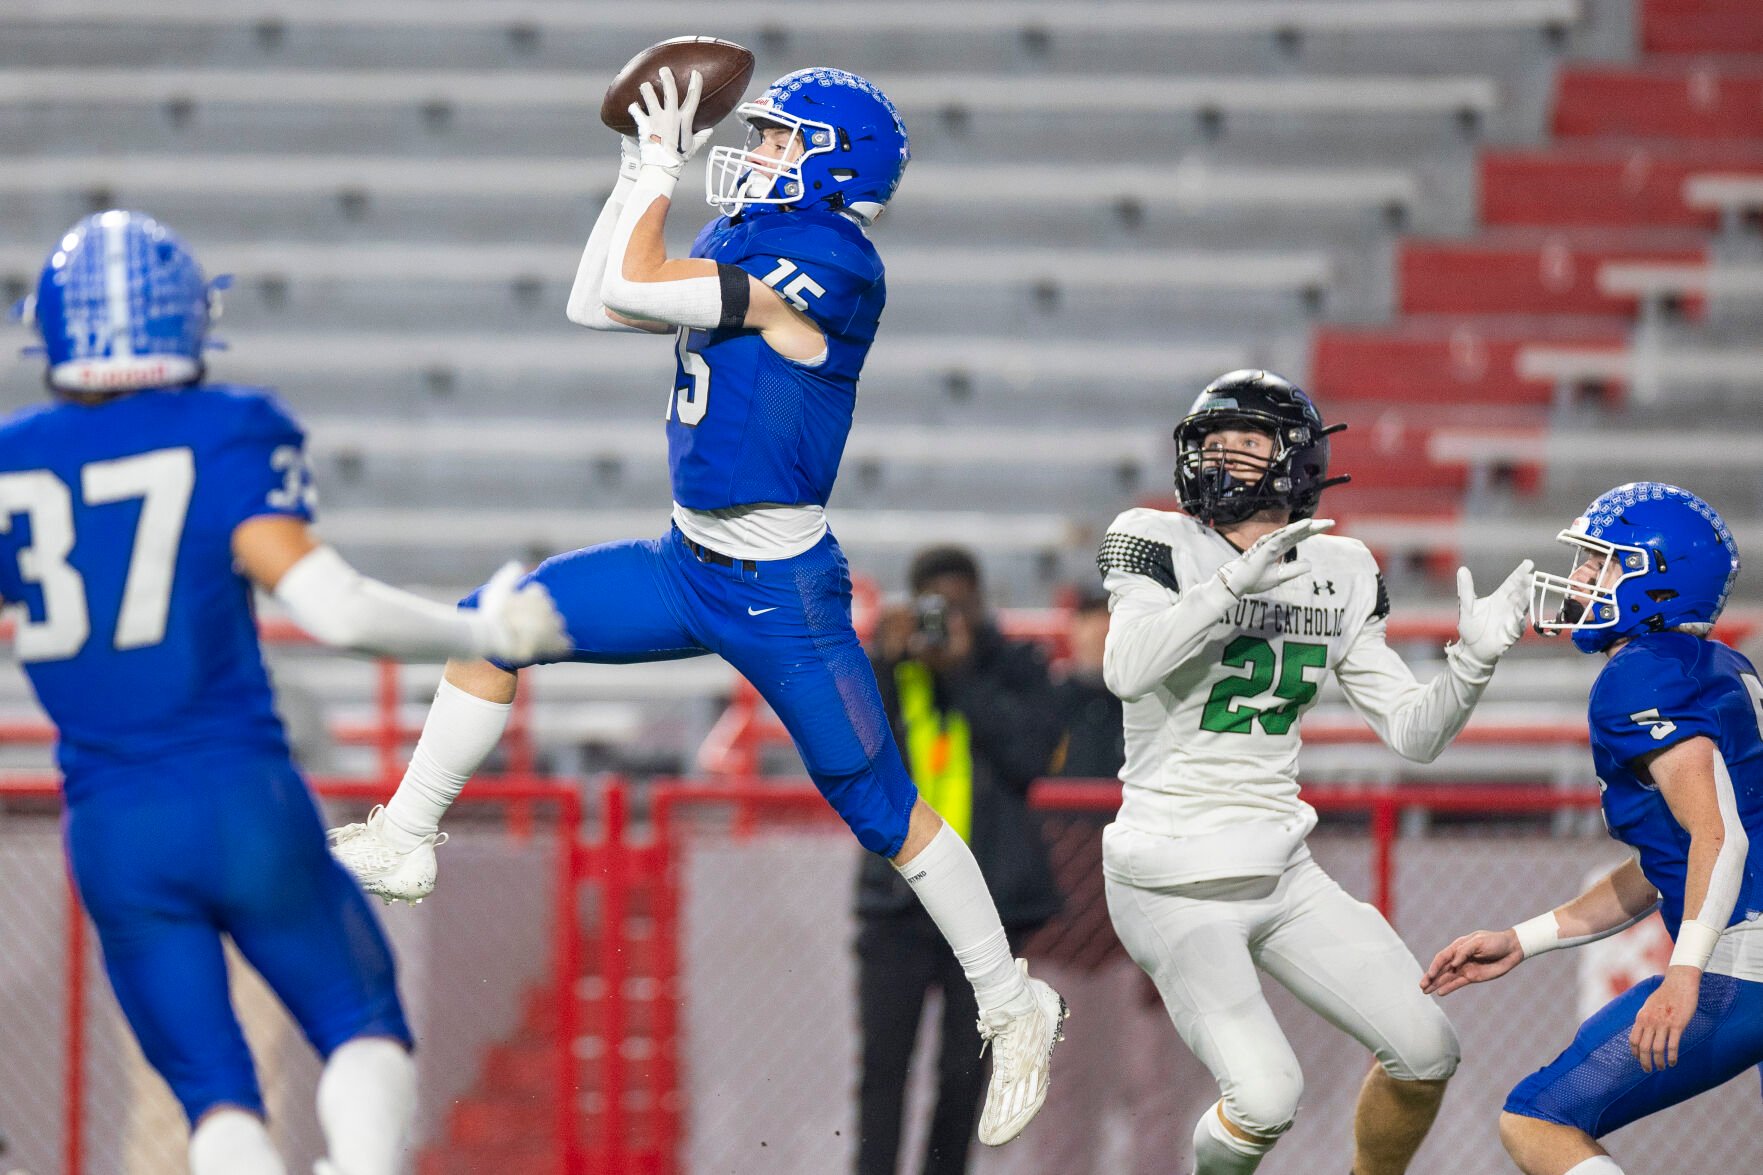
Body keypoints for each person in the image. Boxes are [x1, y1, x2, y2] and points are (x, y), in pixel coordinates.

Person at [326, 66, 1068, 1146]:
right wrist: (639, 169)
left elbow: (630, 287)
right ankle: (406, 832)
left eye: (778, 140)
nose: (756, 152)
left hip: (781, 591)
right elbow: (598, 298)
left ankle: (1011, 1001)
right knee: (494, 623)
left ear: (833, 165)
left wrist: (656, 170)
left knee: (882, 809)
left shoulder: (828, 259)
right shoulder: (751, 231)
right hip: (689, 562)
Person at [1, 211, 568, 1175]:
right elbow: (336, 608)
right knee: (362, 1020)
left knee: (214, 1099)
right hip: (234, 795)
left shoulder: (14, 457)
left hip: (108, 827)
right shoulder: (224, 428)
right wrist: (481, 631)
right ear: (187, 322)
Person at [1096, 369, 1533, 1175]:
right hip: (1168, 877)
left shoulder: (1341, 564)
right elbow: (1125, 667)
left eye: (1246, 442)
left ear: (1295, 460)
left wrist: (1471, 663)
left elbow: (1412, 733)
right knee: (1265, 1097)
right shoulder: (1154, 539)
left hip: (1281, 867)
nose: (1221, 459)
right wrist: (1230, 586)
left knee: (1426, 1047)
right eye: (1211, 442)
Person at [1422, 483, 1763, 1175]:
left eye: (1600, 564)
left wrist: (1684, 969)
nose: (1578, 579)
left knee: (1537, 1118)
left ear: (1656, 581)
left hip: (1742, 960)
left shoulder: (1639, 677)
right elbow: (1662, 862)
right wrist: (1523, 939)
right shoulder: (1721, 664)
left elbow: (1719, 838)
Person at [854, 545, 1064, 1175]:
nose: (945, 618)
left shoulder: (1016, 665)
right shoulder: (890, 666)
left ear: (980, 602)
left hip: (986, 910)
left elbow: (1030, 757)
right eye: (932, 605)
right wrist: (884, 662)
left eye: (958, 603)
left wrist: (964, 671)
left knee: (961, 1075)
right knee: (882, 1071)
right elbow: (850, 744)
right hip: (897, 904)